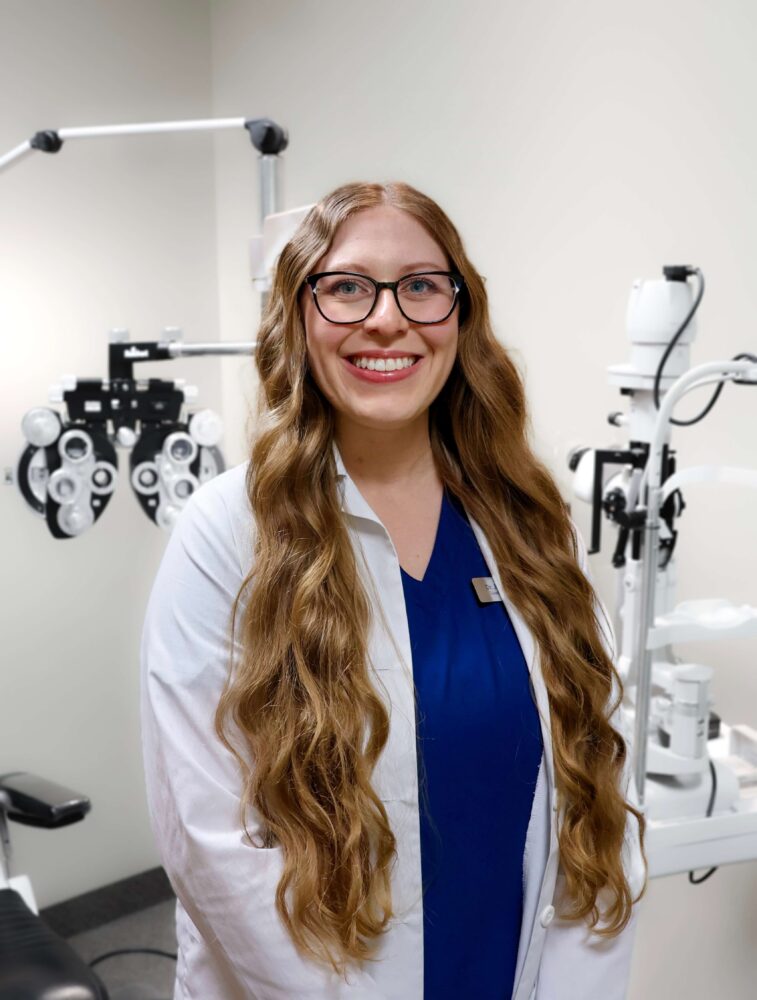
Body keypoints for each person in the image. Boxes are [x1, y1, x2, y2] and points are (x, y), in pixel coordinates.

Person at [141, 181, 646, 1000]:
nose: (386, 318)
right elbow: (210, 841)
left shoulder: (526, 521)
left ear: (459, 316)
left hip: (506, 966)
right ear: (298, 316)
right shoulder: (228, 531)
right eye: (345, 287)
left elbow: (595, 784)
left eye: (420, 285)